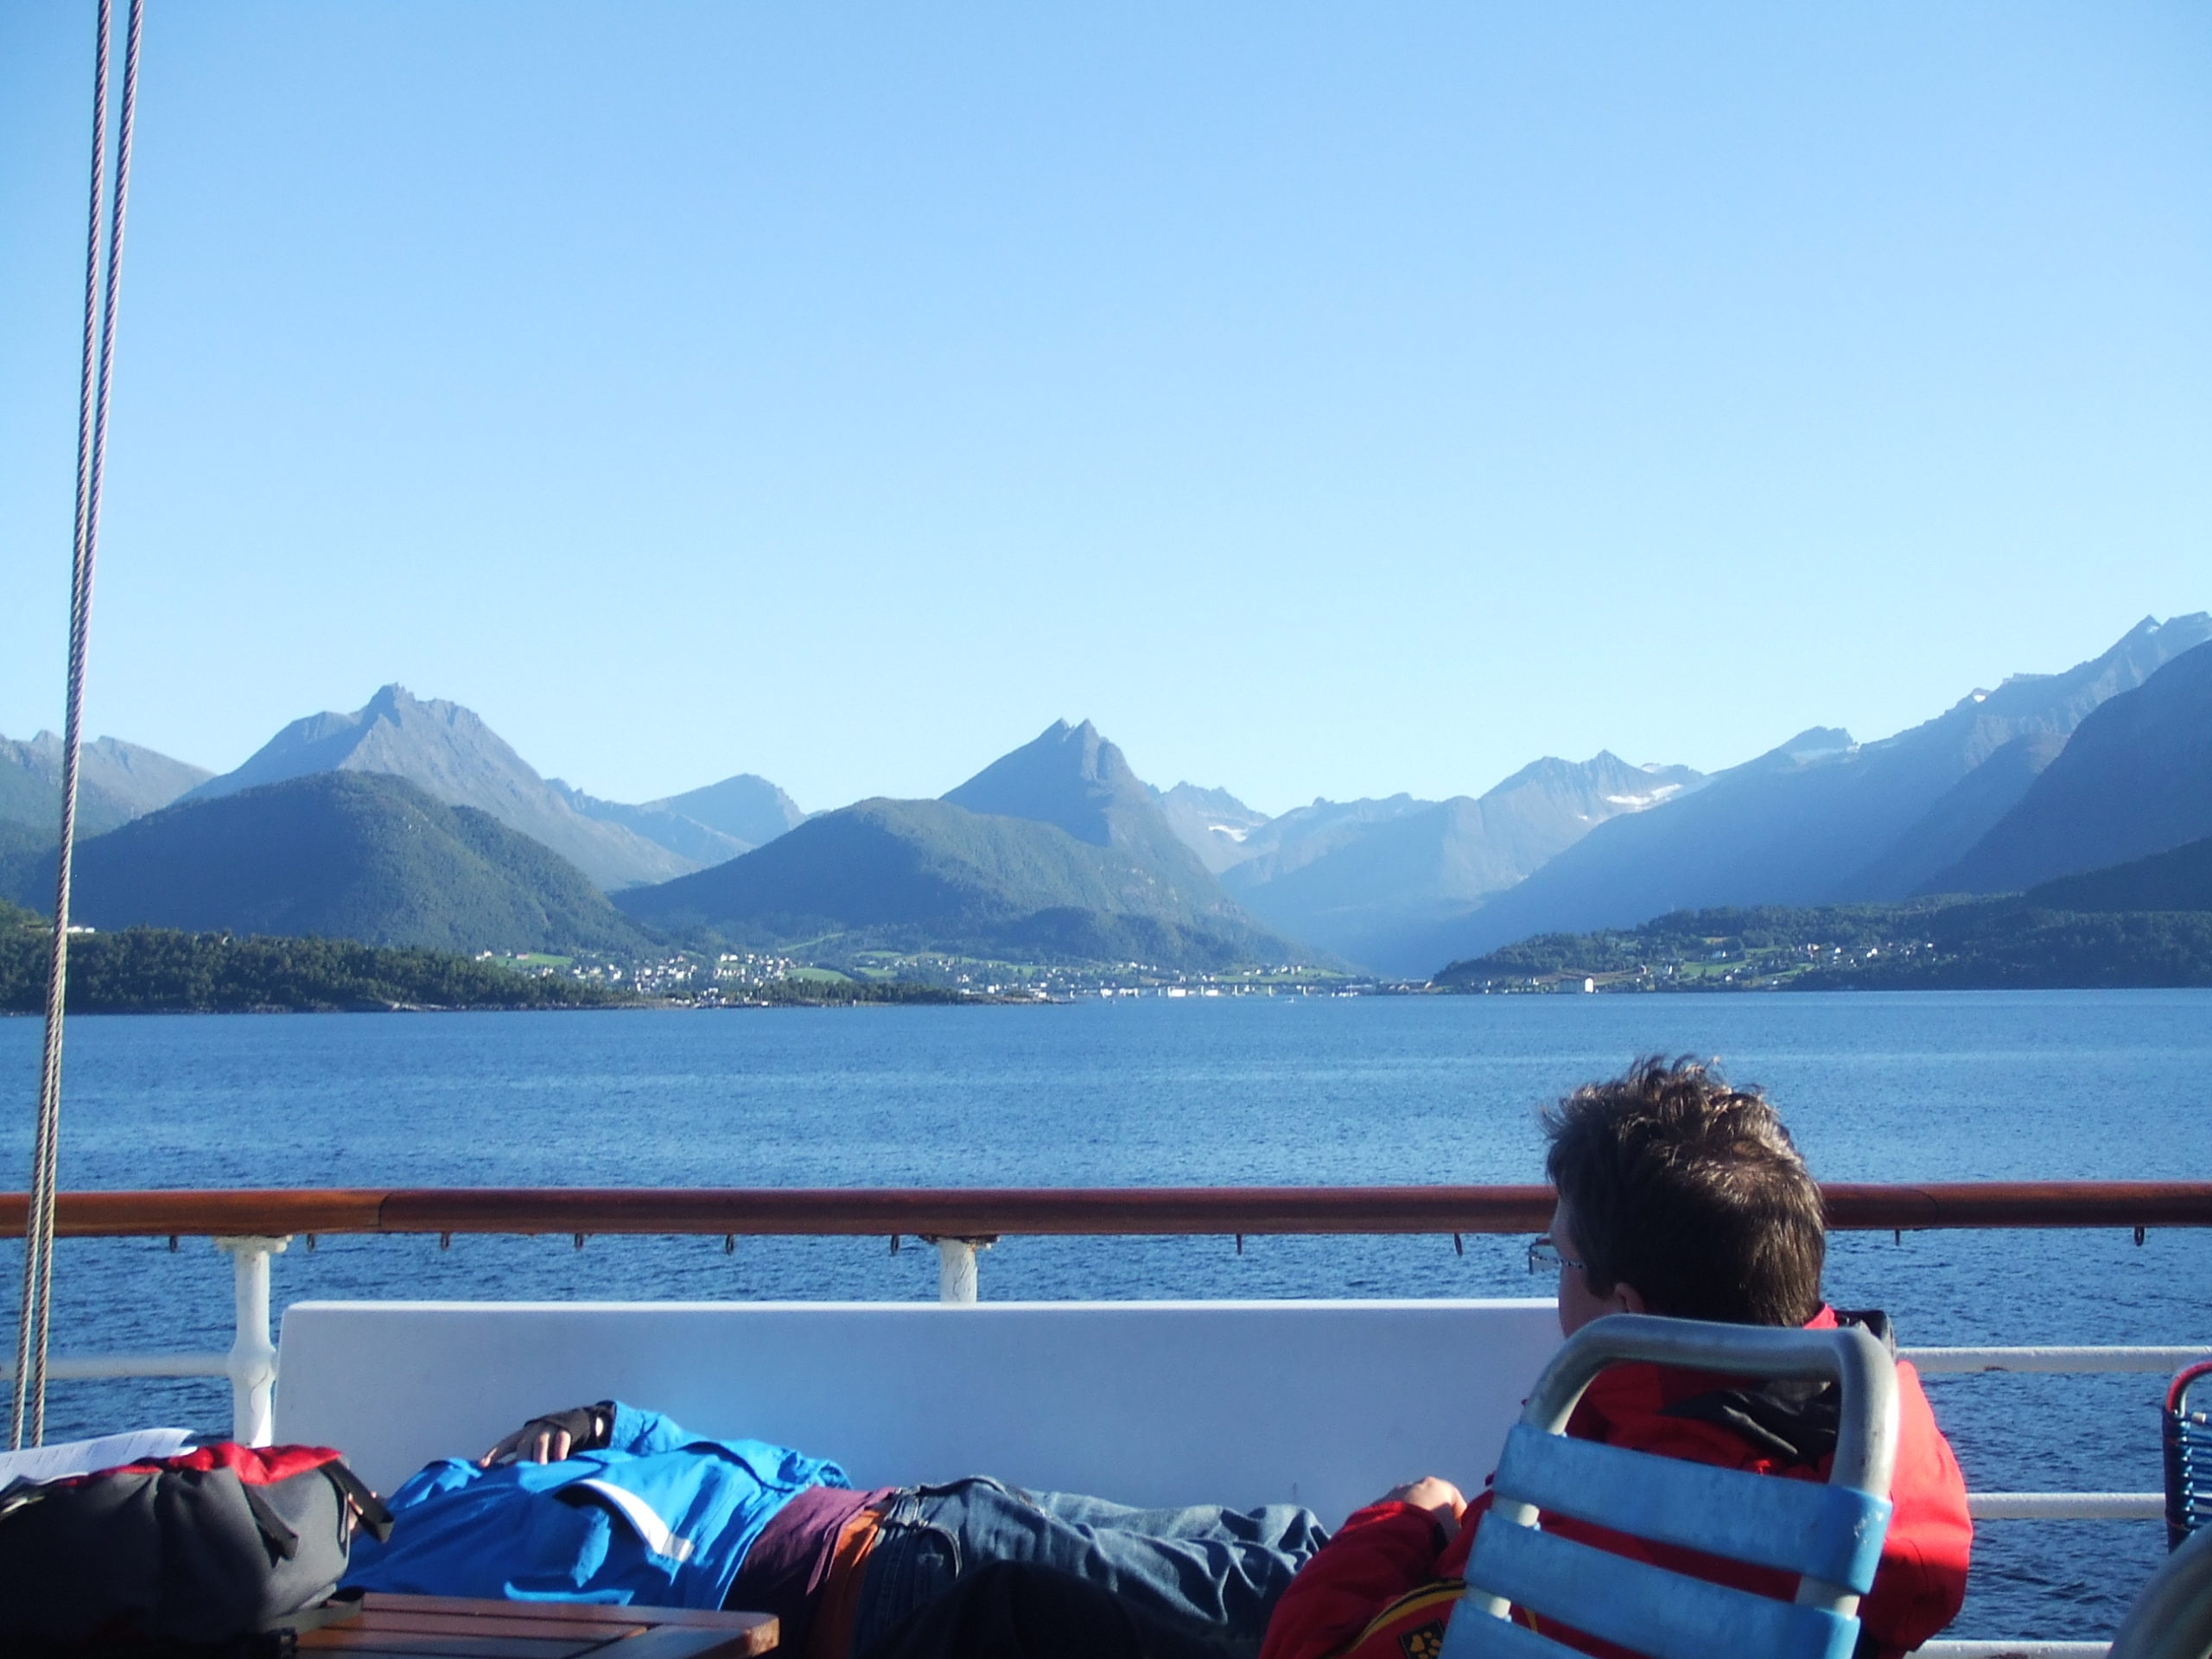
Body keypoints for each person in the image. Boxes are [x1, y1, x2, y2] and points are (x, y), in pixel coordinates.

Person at [1257, 1055, 1975, 1659]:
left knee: (1206, 1569)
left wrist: (1401, 1522)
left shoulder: (1609, 1538)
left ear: (1628, 1314)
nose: (1555, 1283)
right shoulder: (1873, 1456)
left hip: (1394, 1588)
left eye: (1560, 1260)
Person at [340, 1399, 1325, 1659]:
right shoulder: (384, 1592)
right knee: (1246, 1602)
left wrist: (599, 1420)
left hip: (915, 1511)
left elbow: (676, 1449)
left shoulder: (442, 1485)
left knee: (1270, 1540)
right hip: (881, 1582)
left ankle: (1409, 1560)